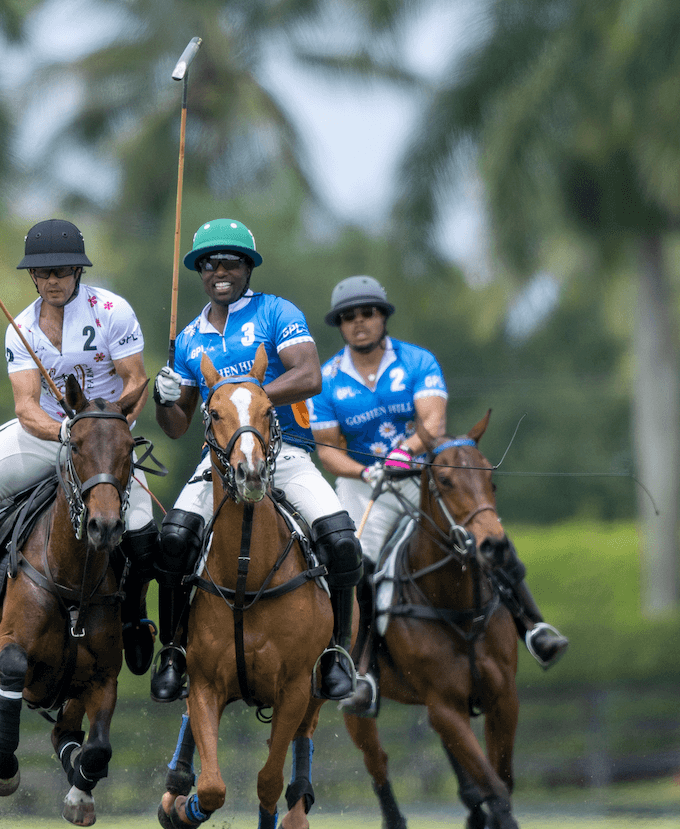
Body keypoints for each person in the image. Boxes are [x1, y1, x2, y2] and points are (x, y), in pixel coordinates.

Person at [0, 219, 158, 674]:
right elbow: (25, 406)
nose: (52, 281)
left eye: (61, 271)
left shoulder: (112, 310)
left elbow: (136, 380)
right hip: (46, 434)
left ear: (77, 272)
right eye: (42, 274)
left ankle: (136, 621)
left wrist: (102, 432)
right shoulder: (20, 328)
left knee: (143, 537)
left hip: (103, 443)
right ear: (33, 277)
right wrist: (65, 434)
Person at [309, 275, 569, 713]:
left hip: (421, 476)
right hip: (363, 488)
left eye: (367, 313)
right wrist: (365, 470)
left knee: (483, 532)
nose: (359, 323)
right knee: (358, 564)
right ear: (340, 325)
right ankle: (365, 670)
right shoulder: (329, 378)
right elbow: (328, 449)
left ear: (382, 317)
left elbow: (432, 424)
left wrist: (402, 455)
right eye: (349, 317)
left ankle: (533, 628)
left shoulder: (417, 361)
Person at [148, 218, 363, 704]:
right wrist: (165, 400)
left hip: (282, 452)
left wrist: (245, 399)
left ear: (247, 268)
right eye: (209, 263)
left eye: (230, 262)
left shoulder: (275, 312)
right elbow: (178, 425)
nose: (219, 270)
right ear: (200, 272)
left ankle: (335, 653)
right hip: (220, 462)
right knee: (173, 540)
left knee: (341, 539)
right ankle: (174, 651)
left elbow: (308, 375)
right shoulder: (189, 338)